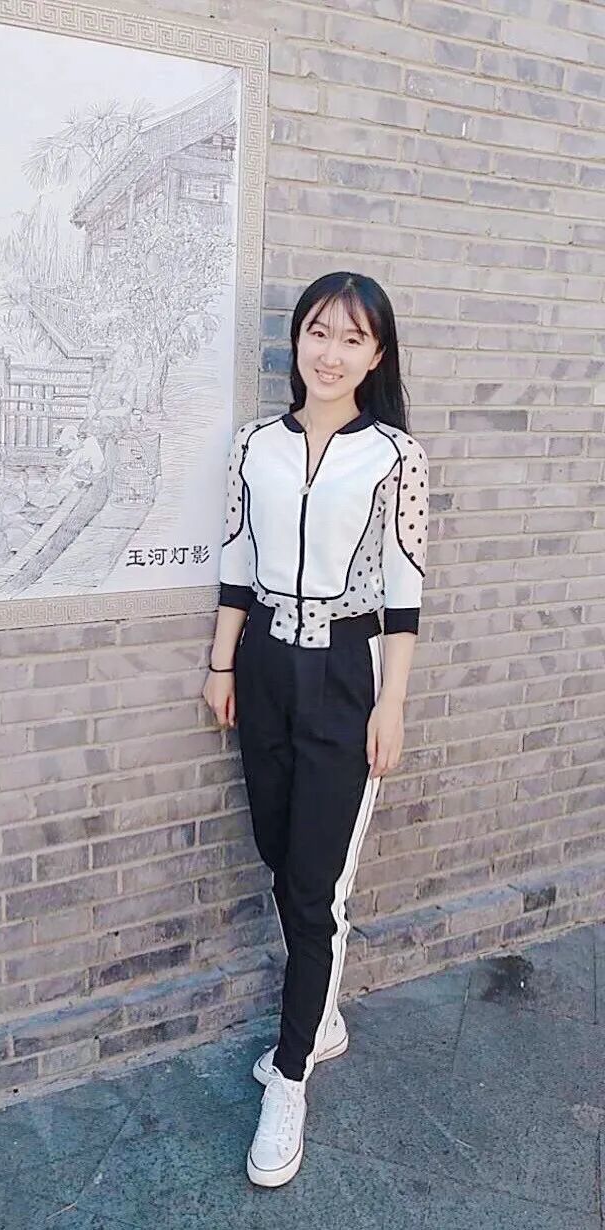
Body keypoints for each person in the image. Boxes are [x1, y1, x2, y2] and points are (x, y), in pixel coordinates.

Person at [202, 271, 430, 1189]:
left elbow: (405, 592)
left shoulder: (396, 456)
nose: (330, 353)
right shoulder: (255, 445)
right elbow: (236, 559)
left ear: (376, 357)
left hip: (345, 673)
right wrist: (221, 664)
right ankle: (322, 1016)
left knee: (314, 890)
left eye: (352, 339)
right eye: (318, 333)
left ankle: (291, 1076)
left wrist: (391, 704)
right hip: (263, 667)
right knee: (277, 853)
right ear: (296, 340)